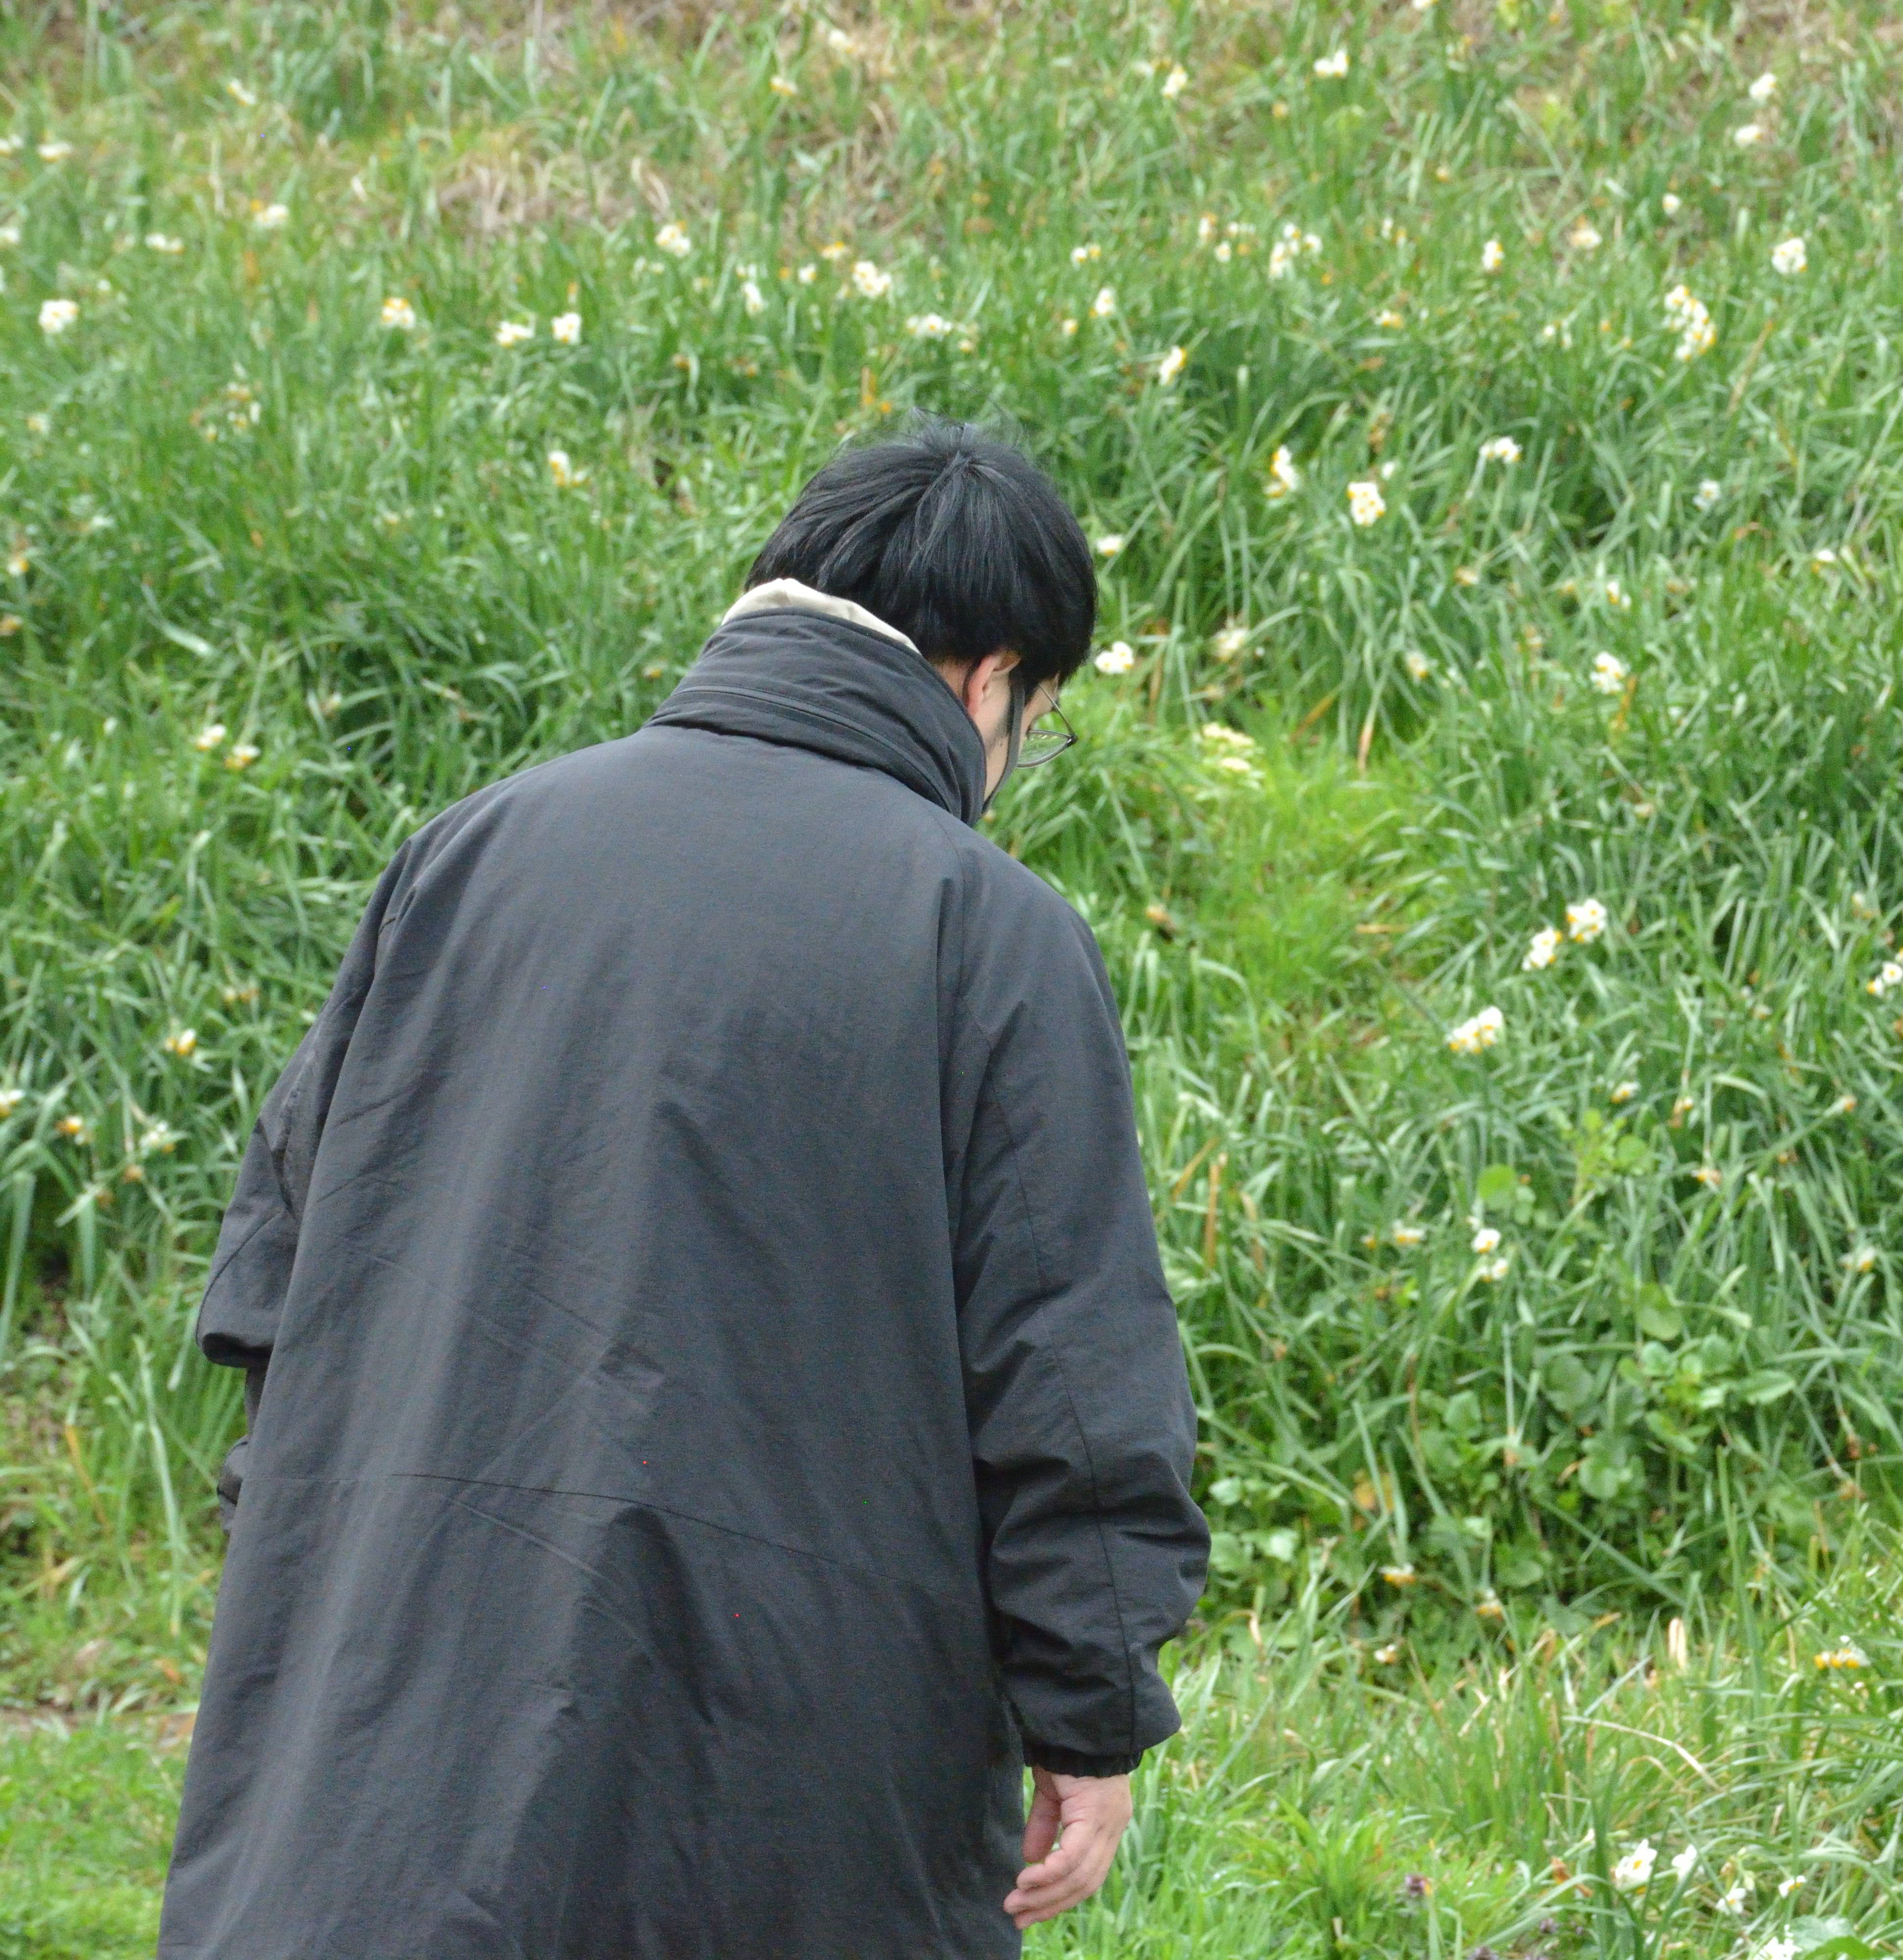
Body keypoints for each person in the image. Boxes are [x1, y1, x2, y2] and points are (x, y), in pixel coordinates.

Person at [160, 418, 1208, 1959]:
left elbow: (277, 1281)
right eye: (1032, 724)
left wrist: (308, 1598)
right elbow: (1066, 1380)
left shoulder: (469, 854)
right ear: (991, 679)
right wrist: (1093, 1714)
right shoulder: (984, 930)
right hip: (777, 1785)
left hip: (386, 1745)